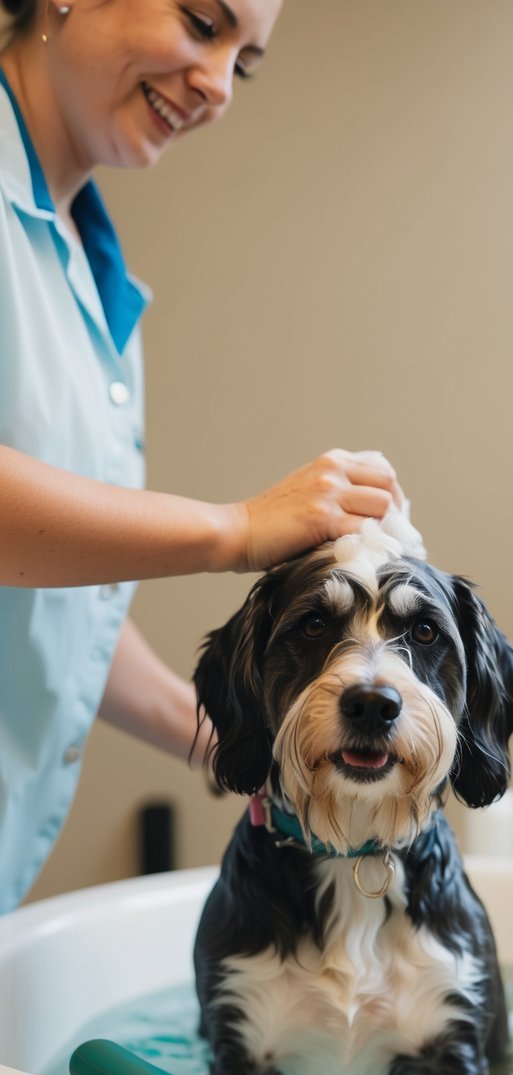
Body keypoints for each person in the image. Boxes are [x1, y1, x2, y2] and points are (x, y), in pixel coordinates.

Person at [0, 0, 403, 912]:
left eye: (245, 62)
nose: (218, 84)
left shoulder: (94, 279)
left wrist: (264, 741)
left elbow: (50, 614)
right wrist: (236, 529)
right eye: (200, 22)